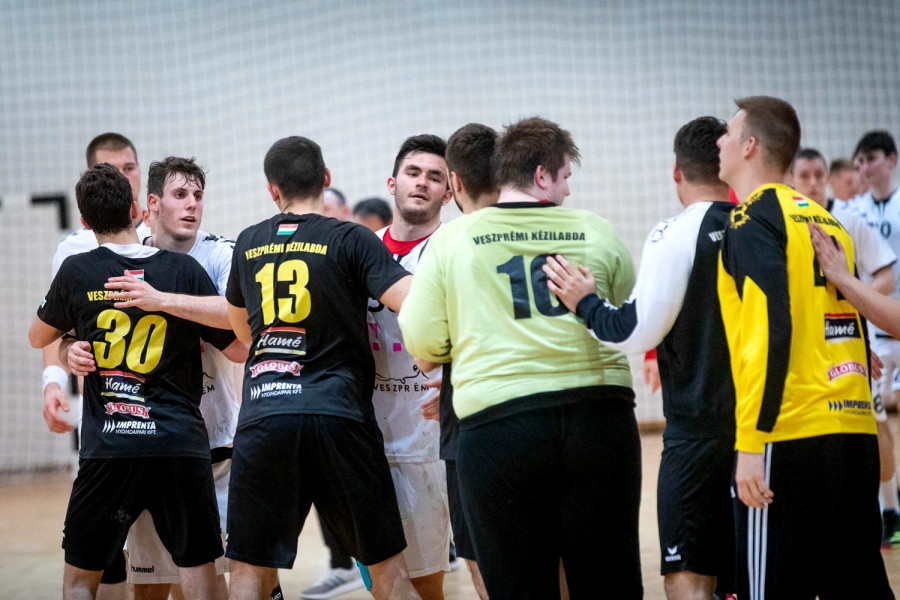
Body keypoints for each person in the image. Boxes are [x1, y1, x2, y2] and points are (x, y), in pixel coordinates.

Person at [399, 116, 641, 598]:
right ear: (542, 175)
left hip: (500, 426)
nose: (569, 189)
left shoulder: (453, 239)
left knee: (517, 584)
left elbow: (423, 344)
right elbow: (627, 322)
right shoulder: (595, 229)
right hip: (600, 418)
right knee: (610, 580)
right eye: (565, 175)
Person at [543, 116, 736, 600]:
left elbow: (631, 331)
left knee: (689, 574)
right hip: (771, 429)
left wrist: (586, 302)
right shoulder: (765, 225)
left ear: (676, 171)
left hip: (700, 432)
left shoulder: (675, 232)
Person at [28, 163, 236, 600]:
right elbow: (237, 345)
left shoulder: (77, 271)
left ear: (85, 222)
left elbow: (37, 337)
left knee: (80, 580)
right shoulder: (182, 270)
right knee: (199, 573)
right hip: (178, 444)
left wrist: (68, 349)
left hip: (110, 446)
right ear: (138, 209)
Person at [224, 136, 419, 600]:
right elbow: (412, 300)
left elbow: (243, 331)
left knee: (248, 572)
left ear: (272, 189)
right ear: (326, 178)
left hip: (266, 416)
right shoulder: (351, 237)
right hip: (339, 416)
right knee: (388, 573)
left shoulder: (248, 242)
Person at [714, 96, 892, 598]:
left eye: (729, 132)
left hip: (790, 431)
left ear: (750, 146)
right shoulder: (826, 220)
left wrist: (752, 442)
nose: (720, 141)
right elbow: (842, 318)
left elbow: (769, 328)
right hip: (853, 428)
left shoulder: (750, 218)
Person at [38, 132, 151, 599]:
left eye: (130, 167)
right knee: (108, 555)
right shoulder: (73, 250)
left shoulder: (164, 233)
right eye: (112, 169)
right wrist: (54, 379)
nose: (123, 177)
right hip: (106, 423)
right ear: (91, 177)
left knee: (171, 561)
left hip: (169, 420)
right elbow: (53, 330)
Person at [790, 146, 900, 544]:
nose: (813, 183)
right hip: (807, 350)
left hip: (851, 341)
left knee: (874, 423)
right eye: (805, 176)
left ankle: (890, 508)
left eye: (819, 175)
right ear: (791, 180)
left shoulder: (848, 219)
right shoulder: (786, 222)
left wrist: (852, 296)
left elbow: (886, 275)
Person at [364, 134, 454, 599]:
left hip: (432, 440)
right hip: (366, 440)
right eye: (413, 173)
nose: (422, 183)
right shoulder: (361, 247)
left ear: (449, 192)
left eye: (435, 177)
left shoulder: (454, 249)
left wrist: (456, 384)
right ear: (392, 183)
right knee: (386, 582)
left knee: (428, 582)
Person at [431, 122, 500, 600]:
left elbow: (424, 349)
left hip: (472, 417)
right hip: (550, 413)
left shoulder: (448, 242)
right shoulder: (557, 228)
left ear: (453, 183)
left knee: (478, 550)